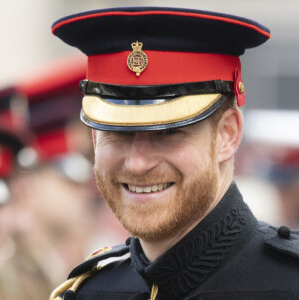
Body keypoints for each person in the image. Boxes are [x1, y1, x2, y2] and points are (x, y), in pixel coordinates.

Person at [50, 7, 299, 300]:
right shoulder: (89, 293)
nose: (138, 163)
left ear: (227, 135)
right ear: (94, 137)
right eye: (117, 133)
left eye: (168, 133)